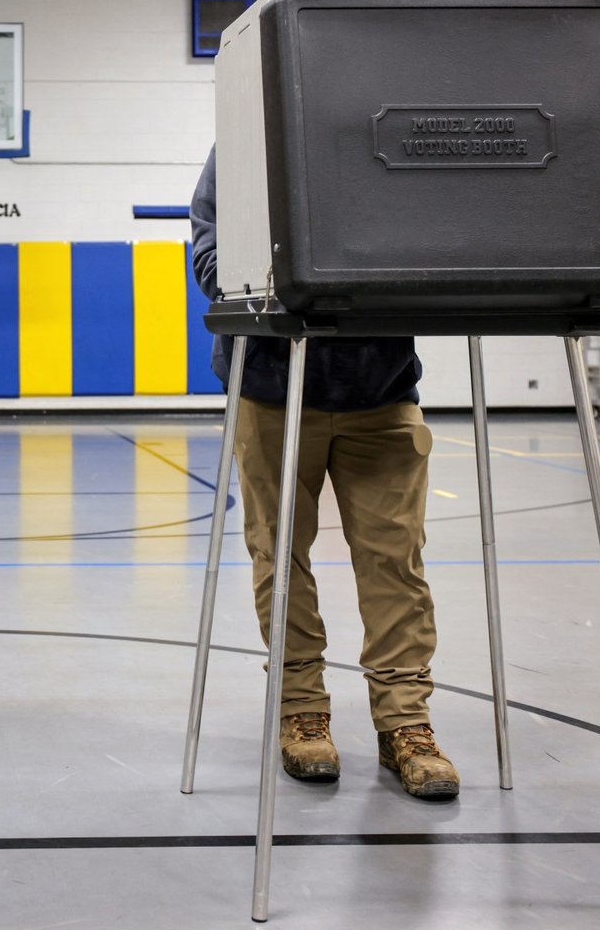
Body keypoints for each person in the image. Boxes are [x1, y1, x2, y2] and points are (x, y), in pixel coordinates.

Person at [190, 145, 459, 800]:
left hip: (383, 388)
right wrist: (309, 281)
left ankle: (406, 725)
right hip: (272, 388)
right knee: (279, 557)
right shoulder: (246, 139)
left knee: (394, 560)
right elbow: (210, 258)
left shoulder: (397, 140)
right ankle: (300, 710)